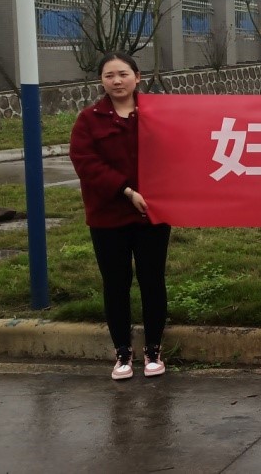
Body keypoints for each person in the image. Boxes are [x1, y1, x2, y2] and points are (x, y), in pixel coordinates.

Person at [70, 52, 171, 380]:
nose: (117, 81)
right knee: (115, 284)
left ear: (137, 77)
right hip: (108, 216)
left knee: (152, 280)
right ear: (101, 80)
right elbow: (86, 163)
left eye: (123, 74)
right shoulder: (89, 119)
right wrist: (126, 191)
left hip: (152, 213)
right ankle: (123, 353)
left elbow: (186, 141)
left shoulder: (157, 113)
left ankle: (153, 349)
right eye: (109, 75)